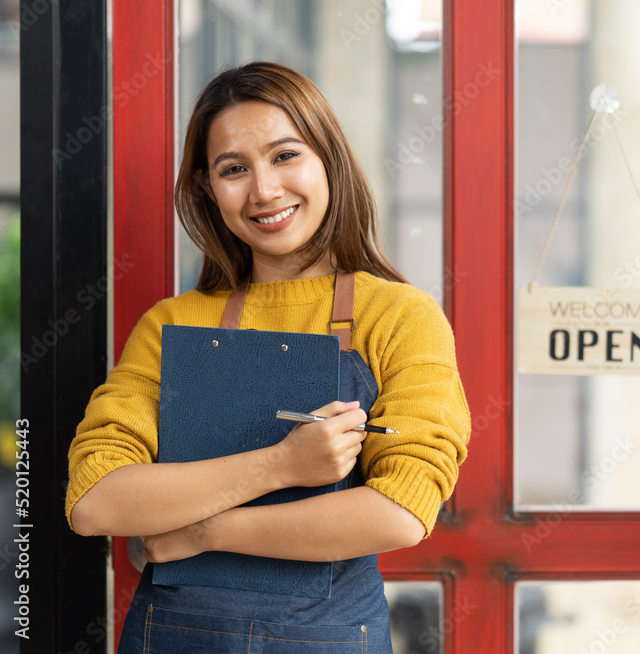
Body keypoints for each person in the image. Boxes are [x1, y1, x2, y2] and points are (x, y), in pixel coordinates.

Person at [65, 61, 471, 652]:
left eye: (285, 156)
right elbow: (95, 500)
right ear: (209, 187)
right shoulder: (174, 323)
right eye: (234, 169)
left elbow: (398, 512)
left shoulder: (400, 316)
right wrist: (280, 466)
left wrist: (203, 531)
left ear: (328, 159)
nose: (265, 190)